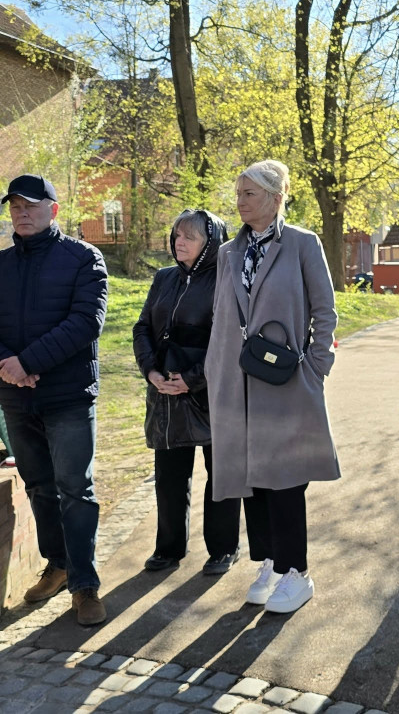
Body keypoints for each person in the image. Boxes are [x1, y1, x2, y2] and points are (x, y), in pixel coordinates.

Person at [0, 174, 109, 626]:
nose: (22, 213)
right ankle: (58, 566)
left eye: (31, 205)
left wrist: (26, 362)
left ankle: (85, 585)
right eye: (15, 207)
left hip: (67, 396)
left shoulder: (84, 258)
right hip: (16, 398)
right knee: (39, 486)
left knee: (75, 489)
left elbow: (86, 322)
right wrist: (6, 364)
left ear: (53, 210)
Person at [205, 160, 339, 614]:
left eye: (250, 194)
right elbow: (222, 315)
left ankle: (296, 571)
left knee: (286, 477)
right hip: (235, 382)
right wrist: (215, 369)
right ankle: (270, 563)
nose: (240, 202)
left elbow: (325, 310)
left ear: (276, 198)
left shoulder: (302, 243)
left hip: (285, 382)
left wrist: (315, 368)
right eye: (238, 193)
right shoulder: (228, 252)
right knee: (252, 476)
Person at [132, 209, 242, 575]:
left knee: (221, 475)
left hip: (211, 394)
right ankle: (168, 548)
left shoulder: (227, 279)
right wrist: (151, 371)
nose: (179, 242)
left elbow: (229, 341)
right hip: (165, 393)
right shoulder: (164, 277)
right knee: (169, 477)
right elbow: (142, 328)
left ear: (210, 244)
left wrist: (193, 378)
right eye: (177, 235)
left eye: (189, 237)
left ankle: (223, 548)